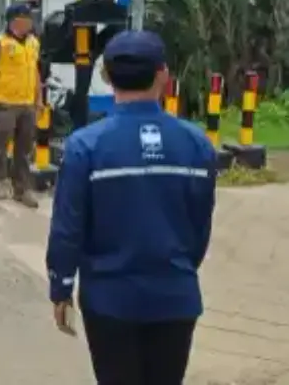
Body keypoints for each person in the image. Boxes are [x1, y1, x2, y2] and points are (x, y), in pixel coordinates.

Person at [45, 30, 216, 384]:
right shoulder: (197, 144)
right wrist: (178, 269)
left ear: (106, 76)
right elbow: (200, 226)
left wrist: (61, 286)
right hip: (175, 297)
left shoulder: (85, 146)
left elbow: (68, 227)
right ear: (163, 74)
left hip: (110, 301)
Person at [0, 3, 42, 209]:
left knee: (24, 150)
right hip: (4, 104)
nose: (30, 22)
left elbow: (35, 71)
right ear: (15, 21)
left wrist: (38, 99)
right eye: (27, 18)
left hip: (27, 103)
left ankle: (21, 190)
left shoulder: (33, 42)